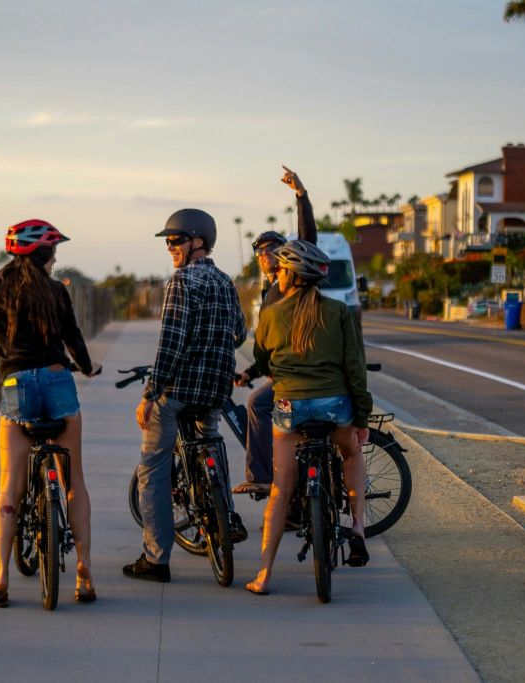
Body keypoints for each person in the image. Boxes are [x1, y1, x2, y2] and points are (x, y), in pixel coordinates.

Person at [0, 219, 101, 607]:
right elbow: (73, 337)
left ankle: (0, 579)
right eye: (54, 251)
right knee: (74, 482)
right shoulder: (55, 291)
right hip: (56, 381)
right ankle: (84, 570)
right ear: (45, 254)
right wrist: (85, 365)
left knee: (9, 488)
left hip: (16, 387)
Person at [123, 208, 248, 583]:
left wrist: (149, 394)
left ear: (198, 242)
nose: (170, 247)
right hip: (214, 390)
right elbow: (239, 333)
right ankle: (224, 514)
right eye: (168, 242)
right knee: (210, 444)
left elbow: (171, 343)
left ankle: (156, 559)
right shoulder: (226, 282)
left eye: (176, 240)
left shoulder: (181, 281)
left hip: (178, 391)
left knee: (154, 469)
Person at [244, 239, 373, 596]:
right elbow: (355, 369)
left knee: (281, 487)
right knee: (351, 454)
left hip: (289, 407)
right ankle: (358, 528)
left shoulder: (270, 314)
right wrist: (361, 416)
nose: (278, 274)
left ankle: (264, 575)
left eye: (281, 269)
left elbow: (264, 359)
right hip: (334, 406)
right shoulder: (338, 312)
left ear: (291, 274)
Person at [232, 166, 318, 496]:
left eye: (270, 248)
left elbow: (307, 236)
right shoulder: (270, 292)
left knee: (257, 404)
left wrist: (301, 194)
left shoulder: (295, 283)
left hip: (300, 373)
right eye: (259, 251)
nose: (263, 254)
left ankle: (261, 477)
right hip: (282, 372)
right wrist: (252, 370)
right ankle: (292, 497)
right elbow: (268, 344)